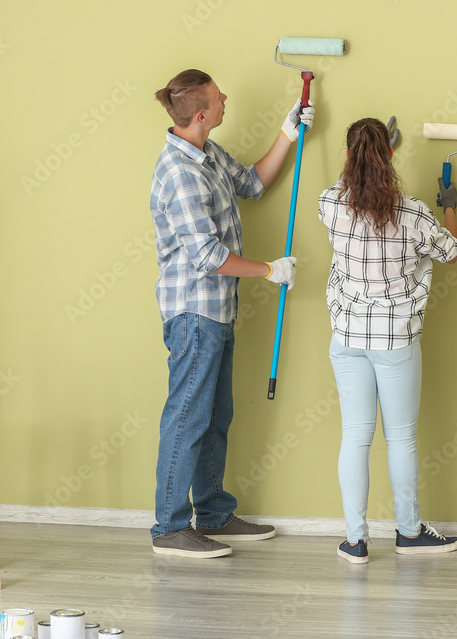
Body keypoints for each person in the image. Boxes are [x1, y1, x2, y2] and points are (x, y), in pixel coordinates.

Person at [149, 68, 313, 558]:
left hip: (218, 310)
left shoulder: (207, 153)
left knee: (217, 414)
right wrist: (269, 270)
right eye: (220, 98)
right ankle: (170, 528)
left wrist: (288, 132)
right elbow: (208, 257)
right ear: (201, 115)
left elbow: (253, 183)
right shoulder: (179, 173)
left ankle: (214, 514)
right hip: (194, 312)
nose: (226, 99)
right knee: (188, 416)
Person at [317, 117, 457, 564]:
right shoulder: (415, 213)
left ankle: (355, 542)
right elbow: (452, 250)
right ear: (391, 156)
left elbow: (356, 198)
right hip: (395, 338)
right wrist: (450, 206)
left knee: (355, 437)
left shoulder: (328, 204)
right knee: (401, 438)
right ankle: (409, 533)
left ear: (347, 155)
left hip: (347, 337)